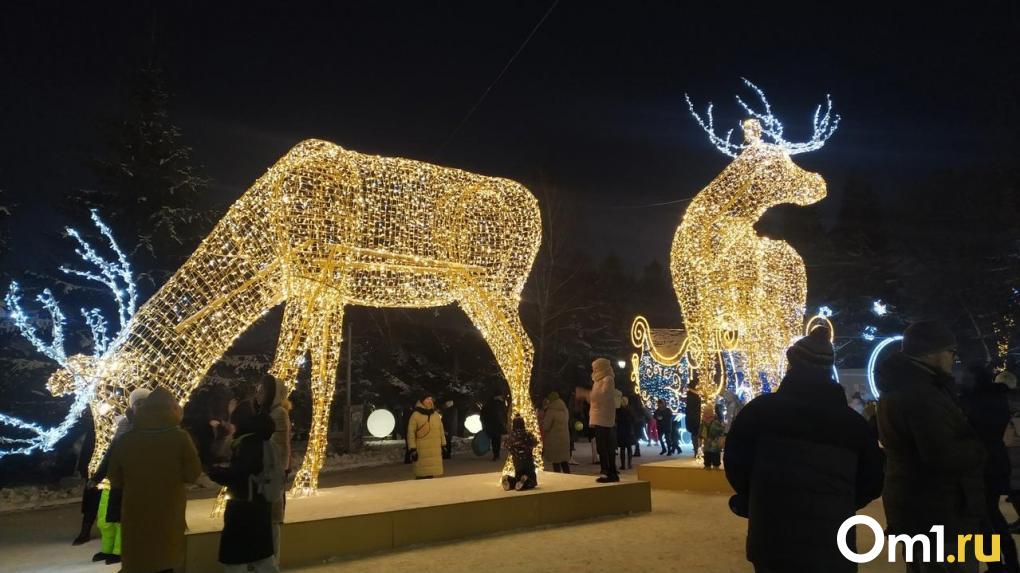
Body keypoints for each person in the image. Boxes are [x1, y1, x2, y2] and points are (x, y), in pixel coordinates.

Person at [724, 326, 884, 573]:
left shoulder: (760, 412)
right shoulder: (852, 424)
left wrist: (757, 495)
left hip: (772, 537)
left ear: (792, 365)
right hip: (833, 540)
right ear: (828, 370)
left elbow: (736, 464)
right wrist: (842, 502)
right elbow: (873, 479)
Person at [877, 320, 985, 573]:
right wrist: (979, 448)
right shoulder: (922, 395)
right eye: (951, 351)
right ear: (931, 353)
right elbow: (943, 455)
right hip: (940, 512)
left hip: (918, 510)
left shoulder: (900, 389)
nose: (953, 358)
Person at [107, 386, 202, 573]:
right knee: (164, 559)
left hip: (135, 511)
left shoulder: (127, 439)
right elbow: (193, 473)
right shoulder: (180, 438)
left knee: (139, 559)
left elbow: (114, 477)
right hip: (168, 512)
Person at [208, 399, 278, 573]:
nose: (230, 424)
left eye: (233, 419)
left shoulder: (248, 444)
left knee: (236, 559)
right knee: (261, 557)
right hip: (258, 505)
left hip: (244, 507)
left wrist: (215, 473)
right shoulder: (258, 440)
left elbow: (239, 474)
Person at [961, 363, 1020, 573]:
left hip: (980, 465)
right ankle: (1009, 563)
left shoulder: (973, 401)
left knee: (984, 520)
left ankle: (996, 565)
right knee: (992, 515)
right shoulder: (998, 398)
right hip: (996, 462)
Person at [89, 387, 151, 565]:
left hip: (136, 481)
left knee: (125, 519)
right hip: (116, 479)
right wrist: (97, 476)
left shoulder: (153, 425)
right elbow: (111, 452)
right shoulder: (124, 424)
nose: (141, 406)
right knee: (107, 518)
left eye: (144, 403)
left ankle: (120, 552)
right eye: (137, 403)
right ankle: (107, 549)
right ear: (132, 405)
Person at [256, 373, 291, 565]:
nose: (258, 394)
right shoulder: (266, 413)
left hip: (271, 480)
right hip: (264, 478)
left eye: (262, 390)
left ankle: (271, 565)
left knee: (272, 525)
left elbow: (279, 449)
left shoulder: (278, 414)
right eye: (257, 390)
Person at [575, 358, 619, 483]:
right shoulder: (599, 381)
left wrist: (585, 394)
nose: (593, 370)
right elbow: (596, 398)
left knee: (605, 446)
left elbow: (602, 396)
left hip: (604, 418)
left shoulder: (608, 379)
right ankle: (607, 471)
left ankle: (609, 472)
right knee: (602, 446)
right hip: (599, 417)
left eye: (595, 368)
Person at [407, 395, 446, 479]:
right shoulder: (416, 415)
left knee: (431, 474)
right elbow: (411, 433)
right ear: (422, 401)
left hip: (434, 449)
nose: (430, 401)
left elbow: (441, 430)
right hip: (422, 450)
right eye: (427, 399)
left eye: (431, 399)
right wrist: (412, 448)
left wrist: (443, 444)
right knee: (422, 474)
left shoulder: (435, 414)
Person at [502, 414, 538, 490]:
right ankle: (526, 482)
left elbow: (505, 445)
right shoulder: (528, 434)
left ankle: (510, 480)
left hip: (516, 460)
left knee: (518, 474)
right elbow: (535, 442)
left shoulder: (511, 436)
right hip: (528, 459)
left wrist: (512, 449)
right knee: (531, 476)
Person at [541, 391, 571, 473]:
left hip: (554, 440)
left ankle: (558, 478)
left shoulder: (551, 411)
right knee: (564, 461)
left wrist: (542, 421)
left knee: (556, 461)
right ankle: (569, 477)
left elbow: (546, 426)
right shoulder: (565, 409)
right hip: (564, 438)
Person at [481, 395, 508, 461]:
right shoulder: (499, 404)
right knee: (497, 440)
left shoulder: (488, 404)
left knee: (494, 440)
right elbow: (502, 415)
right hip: (497, 425)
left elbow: (483, 415)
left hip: (490, 425)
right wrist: (504, 423)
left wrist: (484, 424)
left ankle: (495, 454)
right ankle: (496, 454)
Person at [699, 405, 726, 469]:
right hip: (706, 446)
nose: (705, 416)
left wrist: (721, 439)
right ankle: (707, 466)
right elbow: (700, 433)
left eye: (707, 414)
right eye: (704, 414)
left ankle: (715, 467)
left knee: (715, 459)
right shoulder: (703, 423)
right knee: (707, 458)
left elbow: (721, 431)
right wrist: (700, 440)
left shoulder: (716, 422)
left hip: (715, 446)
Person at [616, 396, 636, 470]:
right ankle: (627, 464)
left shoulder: (622, 410)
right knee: (625, 448)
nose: (622, 403)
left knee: (625, 448)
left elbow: (632, 419)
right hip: (626, 431)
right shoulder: (628, 410)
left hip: (625, 431)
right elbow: (633, 419)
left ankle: (626, 464)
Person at [686, 379, 703, 457]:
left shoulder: (690, 395)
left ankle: (696, 451)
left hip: (692, 417)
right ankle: (697, 451)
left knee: (695, 434)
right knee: (697, 434)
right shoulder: (696, 396)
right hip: (696, 417)